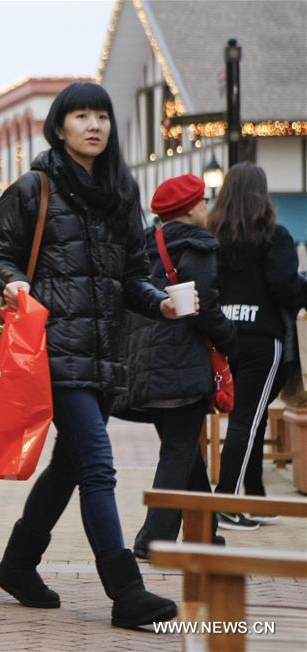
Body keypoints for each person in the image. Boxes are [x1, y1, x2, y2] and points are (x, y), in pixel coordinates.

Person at [0, 82, 184, 629]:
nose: (94, 125)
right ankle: (126, 593)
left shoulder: (121, 192)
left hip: (106, 356)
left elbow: (134, 275)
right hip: (53, 350)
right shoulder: (35, 187)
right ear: (60, 126)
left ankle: (18, 565)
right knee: (97, 464)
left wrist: (160, 303)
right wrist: (15, 283)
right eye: (81, 116)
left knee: (70, 466)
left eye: (102, 116)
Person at [121, 174, 237, 560]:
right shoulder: (198, 245)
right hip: (183, 364)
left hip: (145, 365)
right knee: (178, 451)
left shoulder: (144, 245)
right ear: (190, 209)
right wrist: (230, 341)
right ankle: (153, 539)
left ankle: (205, 536)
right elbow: (205, 305)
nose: (207, 209)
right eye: (203, 202)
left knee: (187, 454)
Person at [208, 162, 303, 530]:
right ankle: (226, 502)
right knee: (247, 420)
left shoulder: (213, 236)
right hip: (263, 340)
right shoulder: (274, 237)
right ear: (261, 195)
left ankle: (254, 494)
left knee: (250, 416)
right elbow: (285, 286)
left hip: (223, 338)